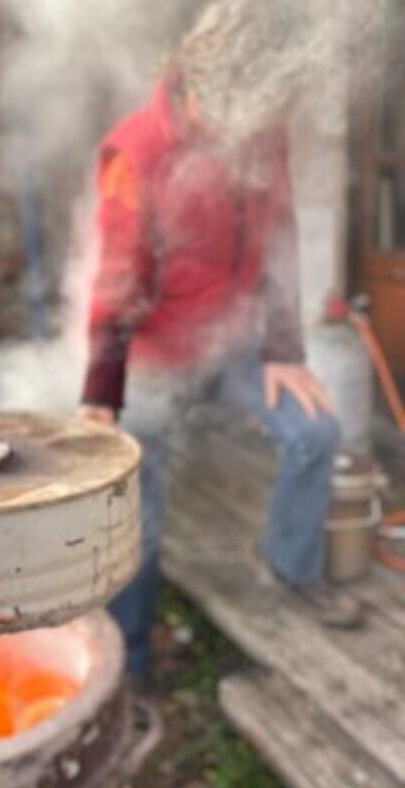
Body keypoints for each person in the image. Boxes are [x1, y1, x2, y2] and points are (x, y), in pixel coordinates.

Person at [79, 0, 361, 680]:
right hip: (153, 356)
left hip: (231, 341)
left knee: (317, 432)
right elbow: (118, 280)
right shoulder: (137, 151)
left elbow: (281, 237)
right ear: (202, 85)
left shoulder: (262, 132)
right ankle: (133, 664)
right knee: (136, 515)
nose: (256, 131)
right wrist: (100, 396)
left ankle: (292, 570)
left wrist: (286, 351)